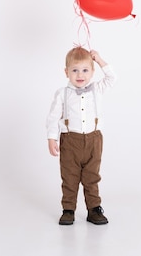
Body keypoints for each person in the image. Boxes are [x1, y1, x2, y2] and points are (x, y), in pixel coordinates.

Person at [46, 46, 117, 225]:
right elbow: (53, 117)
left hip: (93, 140)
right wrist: (51, 138)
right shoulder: (62, 94)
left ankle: (94, 209)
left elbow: (112, 78)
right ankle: (68, 209)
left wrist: (99, 60)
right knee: (69, 177)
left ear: (92, 72)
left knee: (91, 176)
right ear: (66, 72)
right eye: (75, 70)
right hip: (70, 141)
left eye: (85, 70)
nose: (80, 75)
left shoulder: (96, 89)